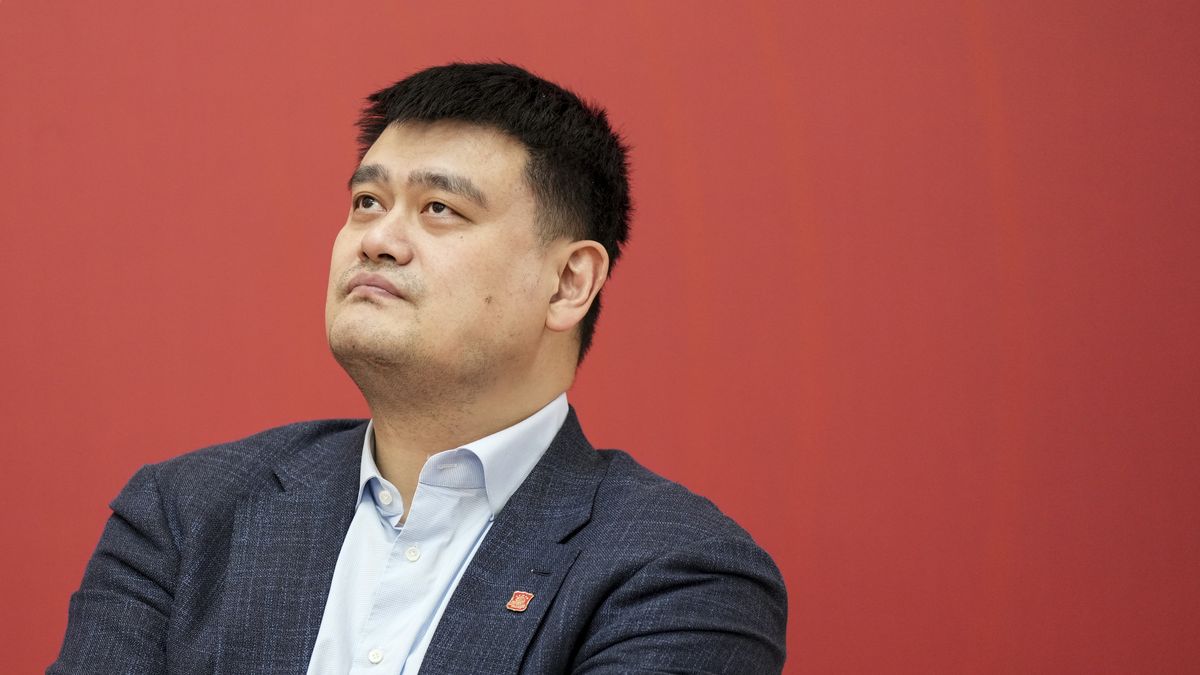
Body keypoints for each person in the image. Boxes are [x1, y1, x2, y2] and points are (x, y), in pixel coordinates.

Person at [50, 62, 787, 674]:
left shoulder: (678, 569)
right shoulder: (186, 514)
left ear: (568, 283)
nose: (378, 239)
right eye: (367, 202)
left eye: (439, 209)